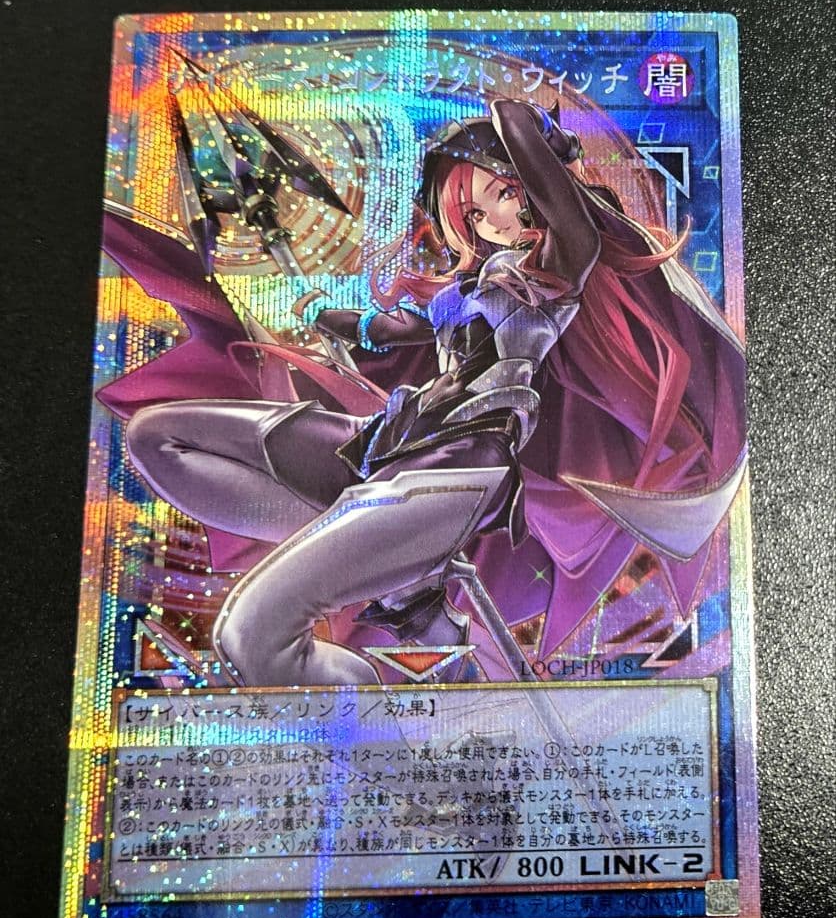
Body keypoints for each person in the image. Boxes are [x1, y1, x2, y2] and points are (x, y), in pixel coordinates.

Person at [99, 98, 747, 687]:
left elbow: (518, 130)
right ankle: (396, 569)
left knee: (250, 636)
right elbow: (390, 330)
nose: (487, 221)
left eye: (500, 195)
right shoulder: (465, 290)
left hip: (460, 469)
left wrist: (536, 135)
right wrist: (327, 314)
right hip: (389, 444)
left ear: (534, 190)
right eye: (472, 213)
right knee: (159, 436)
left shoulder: (558, 270)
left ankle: (376, 704)